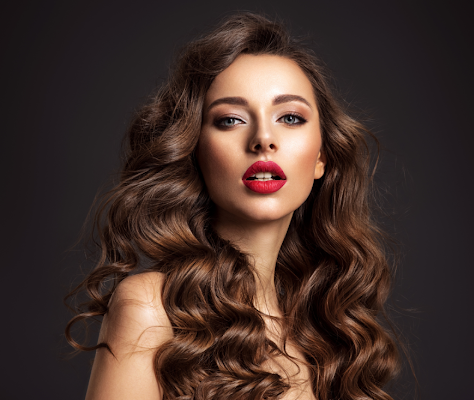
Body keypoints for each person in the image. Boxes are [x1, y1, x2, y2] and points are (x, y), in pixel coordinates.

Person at [66, 12, 400, 400]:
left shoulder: (327, 337)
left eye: (290, 117)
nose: (263, 139)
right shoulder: (151, 308)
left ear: (321, 156)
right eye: (231, 120)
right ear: (196, 151)